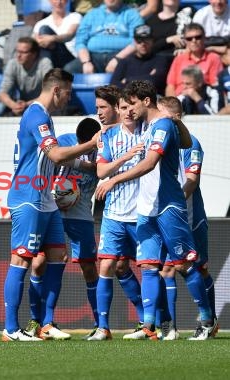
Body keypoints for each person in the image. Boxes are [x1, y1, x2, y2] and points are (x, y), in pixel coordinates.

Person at [95, 80, 215, 340]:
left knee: (184, 264)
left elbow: (150, 163)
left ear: (146, 101)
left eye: (132, 104)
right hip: (146, 208)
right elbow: (181, 139)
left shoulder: (161, 125)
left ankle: (206, 318)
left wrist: (115, 179)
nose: (128, 111)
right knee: (149, 266)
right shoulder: (150, 125)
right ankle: (151, 324)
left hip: (168, 206)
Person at [2, 68, 99, 341]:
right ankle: (10, 329)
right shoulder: (36, 114)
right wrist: (90, 143)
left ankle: (46, 323)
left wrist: (88, 167)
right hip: (28, 197)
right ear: (57, 89)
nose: (70, 97)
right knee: (21, 258)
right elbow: (56, 154)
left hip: (47, 199)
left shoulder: (46, 117)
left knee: (57, 256)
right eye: (68, 91)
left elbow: (55, 158)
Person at [156, 96, 218, 339]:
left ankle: (209, 321)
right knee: (167, 270)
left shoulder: (191, 144)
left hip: (191, 216)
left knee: (200, 268)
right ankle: (170, 328)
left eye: (160, 114)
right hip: (169, 214)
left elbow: (192, 181)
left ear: (175, 118)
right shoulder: (160, 139)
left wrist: (175, 199)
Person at [91, 94, 146, 340]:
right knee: (108, 265)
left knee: (156, 267)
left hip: (143, 212)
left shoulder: (148, 130)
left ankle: (156, 323)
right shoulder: (108, 137)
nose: (127, 111)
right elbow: (101, 170)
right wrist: (126, 156)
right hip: (114, 213)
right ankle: (103, 327)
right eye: (123, 107)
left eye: (129, 107)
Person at [54, 117, 101, 338]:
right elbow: (51, 161)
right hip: (55, 208)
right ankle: (44, 321)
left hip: (81, 213)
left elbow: (104, 169)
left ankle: (100, 324)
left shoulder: (104, 147)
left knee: (89, 268)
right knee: (46, 262)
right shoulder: (64, 141)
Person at [64, 0, 143, 74]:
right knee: (68, 70)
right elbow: (80, 42)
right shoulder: (91, 14)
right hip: (93, 57)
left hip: (122, 55)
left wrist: (118, 59)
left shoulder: (132, 14)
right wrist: (86, 62)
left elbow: (137, 41)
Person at [0, 36, 53, 117]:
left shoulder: (45, 63)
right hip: (21, 104)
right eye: (17, 51)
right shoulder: (12, 64)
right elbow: (2, 93)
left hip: (41, 104)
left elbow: (50, 93)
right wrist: (14, 105)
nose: (18, 55)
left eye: (23, 52)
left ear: (34, 54)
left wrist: (28, 104)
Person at [165, 23, 223, 97]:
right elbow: (170, 85)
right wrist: (173, 104)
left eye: (198, 37)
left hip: (202, 100)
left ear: (204, 37)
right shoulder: (179, 59)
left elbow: (215, 86)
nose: (194, 40)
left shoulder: (213, 58)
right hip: (179, 100)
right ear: (185, 41)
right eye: (189, 38)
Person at [110, 24, 170, 95]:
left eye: (146, 40)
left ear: (152, 41)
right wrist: (147, 78)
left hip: (152, 100)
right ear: (134, 42)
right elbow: (114, 85)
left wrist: (127, 80)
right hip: (129, 100)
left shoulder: (160, 60)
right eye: (139, 40)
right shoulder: (124, 61)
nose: (143, 44)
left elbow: (156, 81)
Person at [32, 0, 82, 68]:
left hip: (70, 59)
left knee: (44, 29)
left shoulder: (75, 17)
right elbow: (34, 42)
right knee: (43, 29)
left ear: (67, 1)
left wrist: (53, 38)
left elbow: (70, 35)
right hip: (52, 58)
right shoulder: (40, 23)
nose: (58, 2)